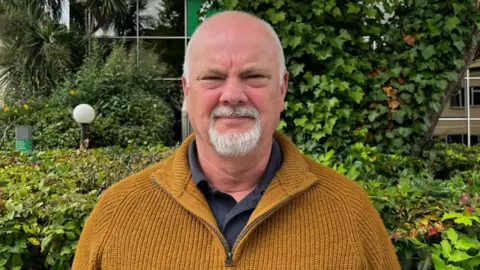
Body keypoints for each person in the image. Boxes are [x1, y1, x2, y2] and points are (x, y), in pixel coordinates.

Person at [72, 11, 400, 269]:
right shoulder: (117, 214)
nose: (232, 95)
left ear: (282, 88)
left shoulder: (350, 212)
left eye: (254, 76)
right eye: (213, 78)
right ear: (187, 91)